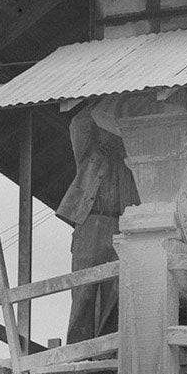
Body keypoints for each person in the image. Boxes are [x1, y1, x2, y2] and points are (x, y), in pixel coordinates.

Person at [56, 95, 141, 344]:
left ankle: (106, 349)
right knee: (83, 291)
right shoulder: (89, 153)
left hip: (120, 226)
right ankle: (78, 350)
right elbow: (79, 123)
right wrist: (105, 99)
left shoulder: (130, 159)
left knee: (115, 292)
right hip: (91, 222)